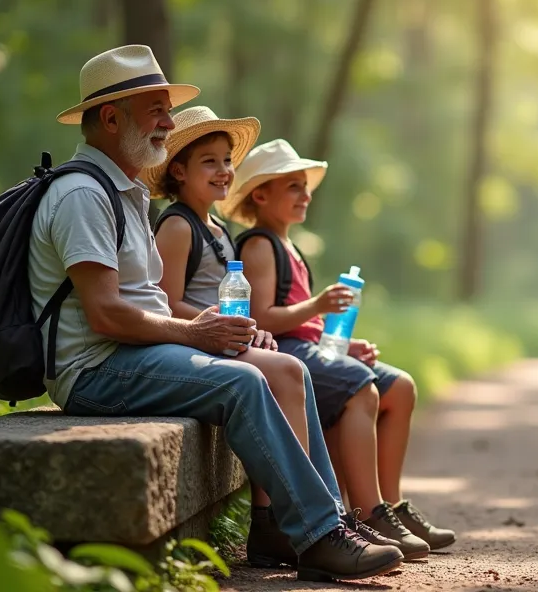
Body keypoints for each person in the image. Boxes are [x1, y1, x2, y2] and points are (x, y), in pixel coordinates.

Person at [31, 45, 401, 582]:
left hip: (135, 351)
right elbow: (106, 315)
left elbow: (143, 304)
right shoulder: (83, 196)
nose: (167, 122)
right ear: (111, 118)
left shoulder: (126, 194)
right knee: (243, 383)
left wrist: (214, 334)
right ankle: (321, 535)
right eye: (156, 109)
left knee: (287, 369)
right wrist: (197, 332)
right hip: (95, 368)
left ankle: (296, 524)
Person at [142, 105, 401, 567]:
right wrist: (221, 325)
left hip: (224, 339)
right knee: (287, 372)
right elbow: (164, 304)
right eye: (209, 162)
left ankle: (288, 521)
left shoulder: (217, 228)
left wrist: (249, 328)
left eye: (226, 160)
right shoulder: (178, 225)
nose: (223, 171)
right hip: (192, 344)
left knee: (289, 372)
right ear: (177, 171)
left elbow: (232, 301)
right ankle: (302, 524)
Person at [219, 139, 457, 561]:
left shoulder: (290, 247)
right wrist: (319, 304)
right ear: (260, 194)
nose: (305, 195)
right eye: (293, 186)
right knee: (360, 387)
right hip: (284, 350)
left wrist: (344, 345)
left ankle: (392, 505)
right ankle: (367, 512)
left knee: (400, 387)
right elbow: (262, 318)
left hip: (308, 346)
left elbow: (304, 322)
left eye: (306, 187)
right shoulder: (258, 245)